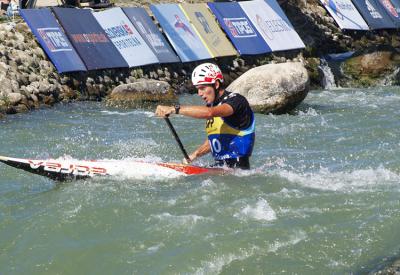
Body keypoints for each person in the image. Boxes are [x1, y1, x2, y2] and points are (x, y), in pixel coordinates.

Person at [155, 63, 255, 169]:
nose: (199, 93)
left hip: (238, 169)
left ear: (216, 84)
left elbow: (209, 112)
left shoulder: (236, 101)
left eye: (202, 88)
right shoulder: (212, 105)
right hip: (221, 167)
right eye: (197, 89)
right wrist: (194, 156)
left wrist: (174, 109)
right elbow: (216, 139)